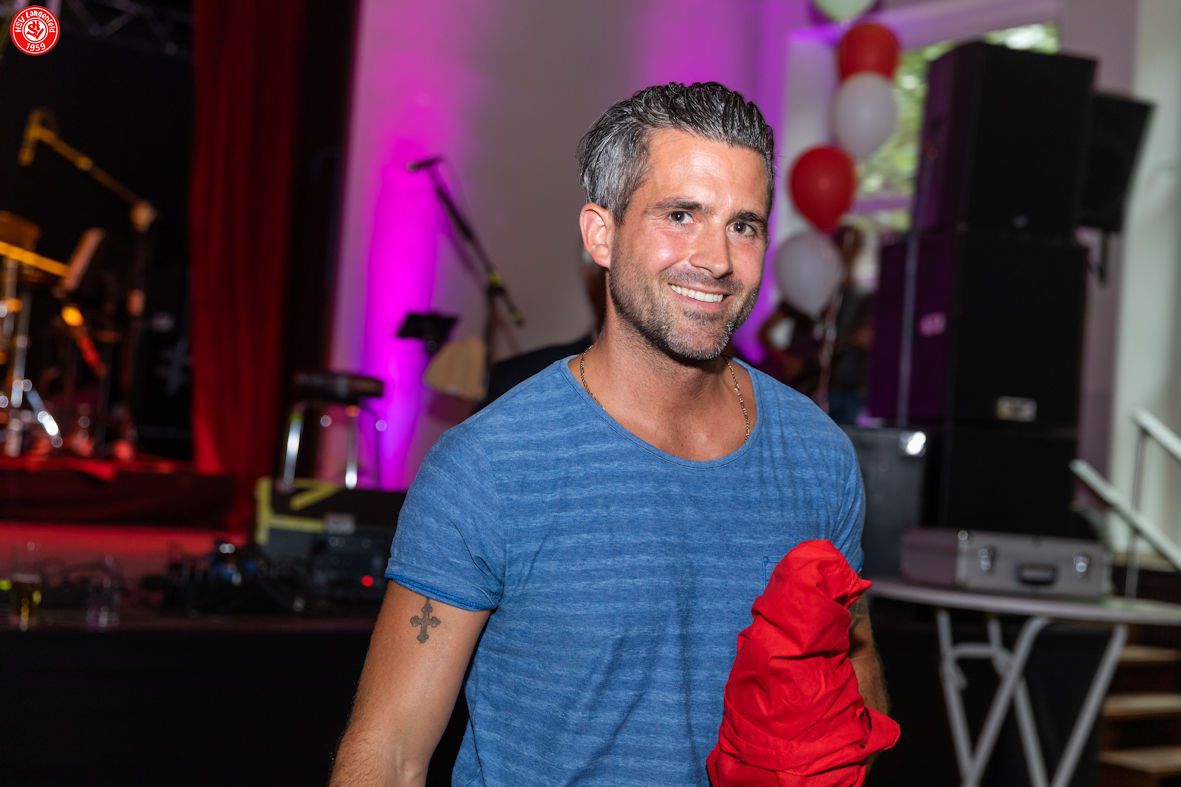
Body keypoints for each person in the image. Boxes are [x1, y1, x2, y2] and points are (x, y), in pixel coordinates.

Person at [331, 82, 886, 786]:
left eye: (743, 225)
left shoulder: (815, 455)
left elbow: (854, 675)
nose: (717, 259)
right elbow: (388, 755)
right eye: (681, 215)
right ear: (601, 233)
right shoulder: (492, 465)